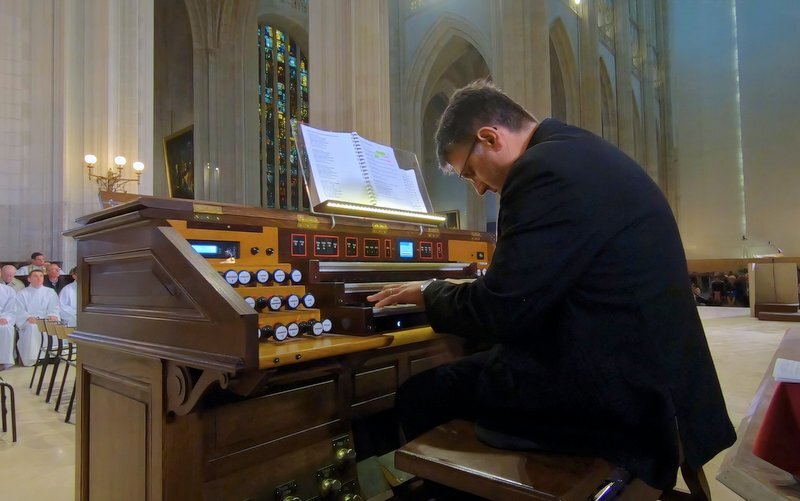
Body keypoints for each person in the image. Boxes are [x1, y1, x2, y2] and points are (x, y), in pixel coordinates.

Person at [367, 80, 735, 491]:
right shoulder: (579, 150)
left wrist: (429, 292)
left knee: (424, 392)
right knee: (480, 363)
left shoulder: (540, 170)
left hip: (624, 399)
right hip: (660, 377)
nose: (480, 188)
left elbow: (502, 310)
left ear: (489, 137)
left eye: (470, 172)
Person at [15, 269, 59, 366]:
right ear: (29, 279)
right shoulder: (22, 293)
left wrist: (53, 315)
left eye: (41, 276)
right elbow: (19, 310)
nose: (39, 278)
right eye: (35, 276)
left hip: (46, 319)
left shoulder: (50, 292)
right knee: (32, 327)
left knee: (55, 325)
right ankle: (34, 358)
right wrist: (28, 317)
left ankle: (52, 356)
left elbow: (54, 307)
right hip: (30, 320)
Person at [0, 283, 16, 369]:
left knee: (5, 328)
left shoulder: (8, 290)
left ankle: (3, 361)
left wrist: (4, 317)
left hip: (3, 318)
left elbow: (11, 309)